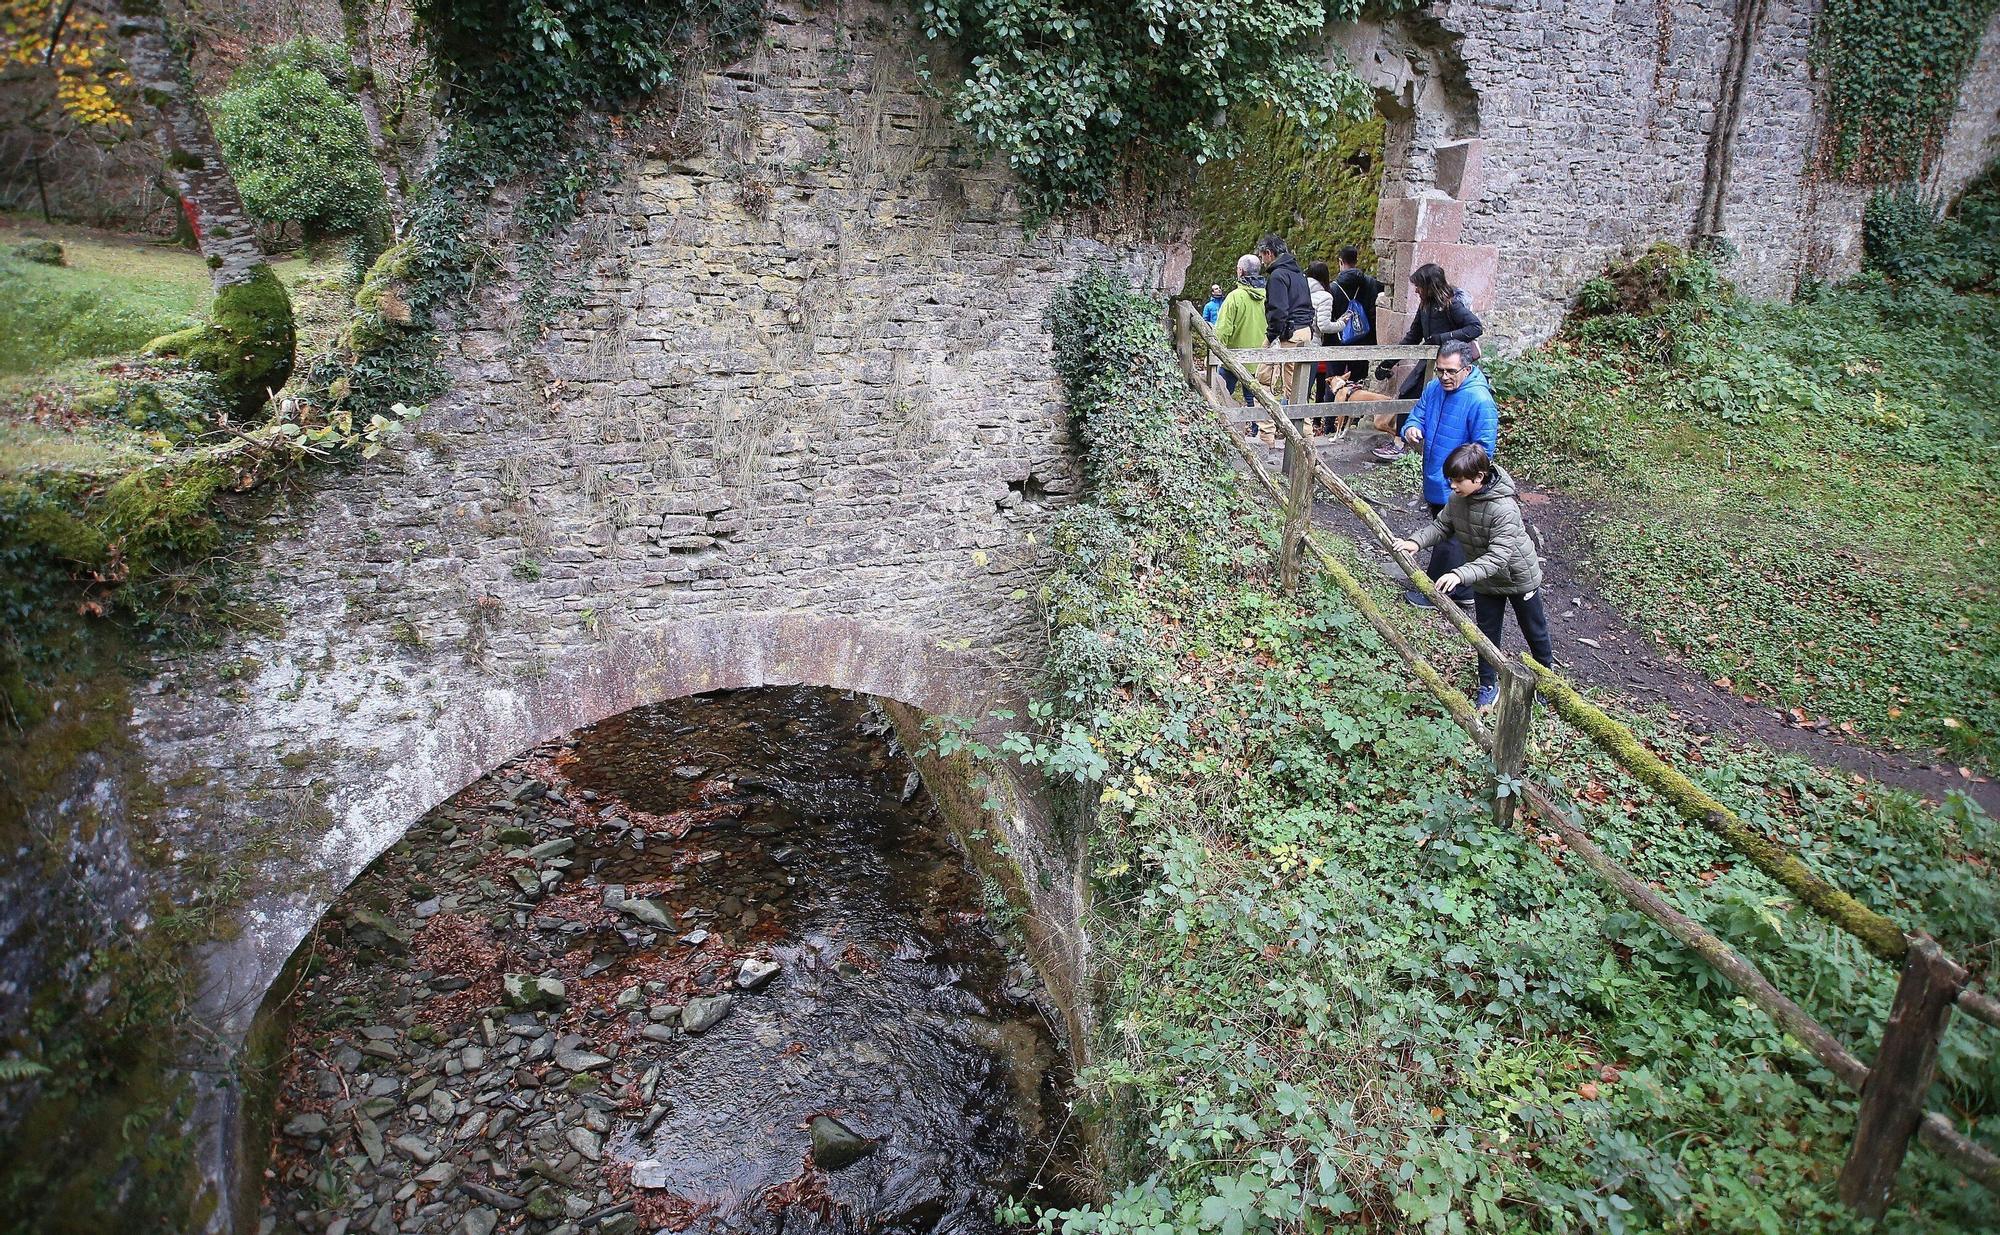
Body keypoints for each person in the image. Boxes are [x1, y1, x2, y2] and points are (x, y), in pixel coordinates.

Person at [1394, 442, 1552, 711]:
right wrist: (1415, 542)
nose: (1452, 486)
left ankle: (1547, 679)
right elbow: (1442, 527)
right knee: (1486, 634)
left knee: (1534, 631)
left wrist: (1460, 574)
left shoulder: (1504, 509)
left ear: (1478, 478)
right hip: (1485, 579)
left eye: (1458, 481)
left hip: (1518, 577)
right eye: (1451, 480)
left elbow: (1499, 556)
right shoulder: (1457, 500)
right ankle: (1488, 684)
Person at [1396, 339, 1495, 608]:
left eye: (1451, 371)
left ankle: (1435, 592)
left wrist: (1467, 483)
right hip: (1435, 474)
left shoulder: (1480, 400)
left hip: (1459, 482)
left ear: (1467, 369)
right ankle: (1464, 590)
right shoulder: (1433, 388)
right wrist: (1411, 428)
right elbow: (1417, 415)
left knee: (1448, 537)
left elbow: (1484, 449)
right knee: (1450, 533)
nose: (1444, 376)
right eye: (1440, 370)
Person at [1372, 263, 1483, 461]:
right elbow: (1413, 337)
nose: (1416, 290)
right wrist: (1387, 363)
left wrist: (1441, 338)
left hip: (1451, 364)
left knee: (1446, 404)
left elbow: (1475, 327)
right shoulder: (1425, 306)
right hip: (1429, 360)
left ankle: (1431, 448)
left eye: (1419, 286)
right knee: (1407, 392)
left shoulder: (1451, 305)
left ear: (1431, 285)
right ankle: (1400, 443)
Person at [1256, 235, 1314, 407]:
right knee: (1297, 388)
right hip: (1305, 330)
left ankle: (1267, 424)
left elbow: (1278, 310)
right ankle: (1301, 424)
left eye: (1262, 255)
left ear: (1269, 253)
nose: (1261, 261)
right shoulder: (1299, 274)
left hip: (1289, 332)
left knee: (1265, 380)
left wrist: (1271, 336)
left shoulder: (1278, 276)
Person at [1214, 255, 1267, 408]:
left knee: (1221, 395)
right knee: (1253, 399)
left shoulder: (1234, 297)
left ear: (1240, 271)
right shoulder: (1267, 296)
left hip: (1232, 358)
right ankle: (1255, 423)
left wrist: (1216, 353)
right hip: (1258, 358)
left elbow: (1222, 330)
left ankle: (1221, 421)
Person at [1332, 245, 1380, 386]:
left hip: (1338, 341)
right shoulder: (1371, 283)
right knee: (1358, 383)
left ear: (1341, 261)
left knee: (1334, 382)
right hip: (1363, 339)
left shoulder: (1334, 287)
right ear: (1356, 260)